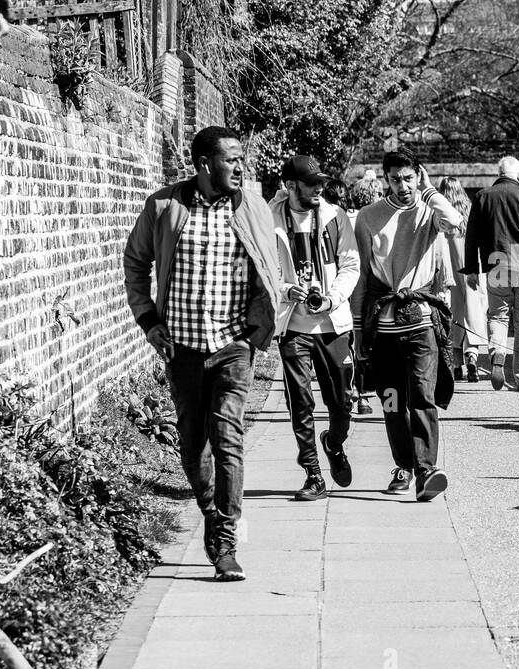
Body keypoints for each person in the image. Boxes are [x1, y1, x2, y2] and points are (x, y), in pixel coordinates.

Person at [123, 126, 286, 583]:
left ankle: (226, 538)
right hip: (184, 348)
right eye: (231, 159)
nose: (240, 166)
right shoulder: (164, 207)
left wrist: (258, 331)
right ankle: (211, 510)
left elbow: (266, 266)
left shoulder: (251, 206)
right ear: (203, 165)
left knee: (228, 435)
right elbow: (136, 263)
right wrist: (149, 322)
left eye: (241, 158)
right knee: (193, 443)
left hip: (234, 346)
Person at [351, 149, 463, 501]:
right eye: (396, 179)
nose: (403, 186)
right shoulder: (368, 217)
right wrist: (357, 330)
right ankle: (403, 465)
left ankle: (427, 469)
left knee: (423, 397)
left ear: (419, 177)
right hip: (384, 326)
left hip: (422, 321)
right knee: (392, 401)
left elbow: (456, 220)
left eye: (409, 178)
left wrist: (429, 192)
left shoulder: (429, 211)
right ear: (386, 180)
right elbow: (362, 277)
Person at [269, 156, 360, 501]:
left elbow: (351, 265)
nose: (319, 188)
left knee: (341, 403)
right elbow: (263, 268)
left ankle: (334, 443)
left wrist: (332, 298)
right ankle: (313, 474)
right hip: (293, 323)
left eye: (321, 181)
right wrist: (286, 290)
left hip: (333, 322)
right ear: (291, 186)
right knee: (300, 401)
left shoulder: (335, 217)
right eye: (311, 183)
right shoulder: (270, 219)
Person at [463, 155, 519, 391]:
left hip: (495, 265)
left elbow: (472, 235)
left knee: (497, 316)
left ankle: (497, 353)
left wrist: (471, 269)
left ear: (499, 173)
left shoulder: (482, 196)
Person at [438, 176, 489, 381]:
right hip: (470, 267)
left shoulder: (439, 213)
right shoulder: (469, 211)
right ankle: (473, 357)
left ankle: (457, 365)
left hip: (448, 270)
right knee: (474, 312)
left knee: (454, 314)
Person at [345, 171, 385, 415]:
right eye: (379, 193)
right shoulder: (373, 221)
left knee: (350, 342)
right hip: (365, 290)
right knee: (365, 341)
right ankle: (364, 393)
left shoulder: (344, 219)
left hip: (343, 291)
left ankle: (353, 390)